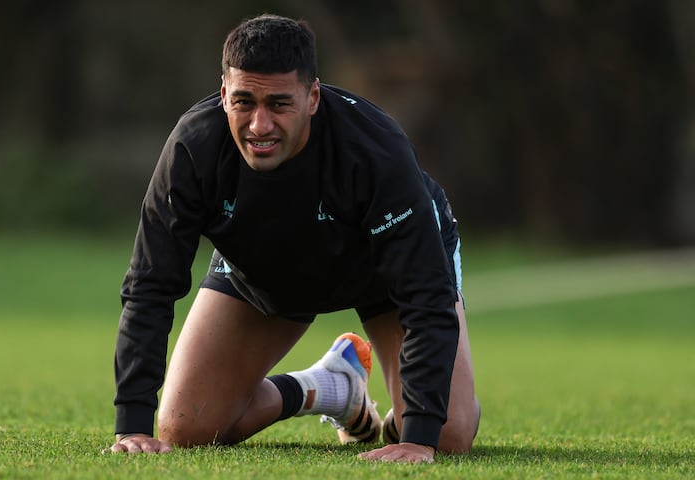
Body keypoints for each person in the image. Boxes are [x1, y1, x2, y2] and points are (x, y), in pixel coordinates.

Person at [107, 13, 480, 464]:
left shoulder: (375, 151)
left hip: (381, 274)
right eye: (243, 101)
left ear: (313, 97)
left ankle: (404, 419)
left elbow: (426, 297)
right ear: (223, 94)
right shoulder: (194, 148)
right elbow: (150, 284)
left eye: (279, 104)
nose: (259, 125)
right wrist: (132, 425)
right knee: (188, 426)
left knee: (448, 434)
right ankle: (329, 387)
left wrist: (417, 437)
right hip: (264, 272)